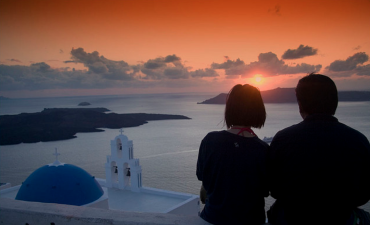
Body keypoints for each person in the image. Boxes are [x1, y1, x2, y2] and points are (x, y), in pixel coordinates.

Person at [267, 73, 370, 225]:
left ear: (300, 104)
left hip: (293, 217)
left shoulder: (283, 139)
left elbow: (274, 189)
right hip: (341, 218)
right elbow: (363, 194)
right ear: (334, 102)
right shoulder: (358, 140)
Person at [196, 84, 269, 225]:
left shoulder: (210, 140)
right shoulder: (263, 149)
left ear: (229, 109)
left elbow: (203, 181)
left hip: (212, 219)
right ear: (259, 110)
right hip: (252, 220)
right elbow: (266, 190)